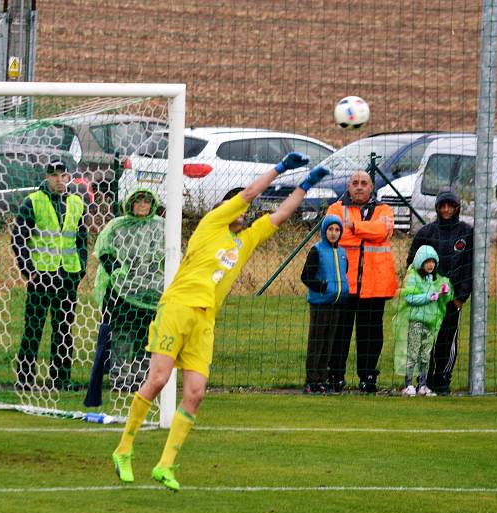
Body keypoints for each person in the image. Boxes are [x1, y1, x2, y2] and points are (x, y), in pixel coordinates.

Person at [111, 151, 329, 491]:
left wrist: (304, 185)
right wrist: (280, 168)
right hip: (178, 308)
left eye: (245, 211)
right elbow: (249, 194)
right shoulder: (211, 223)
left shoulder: (245, 242)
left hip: (205, 320)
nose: (245, 212)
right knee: (157, 380)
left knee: (195, 394)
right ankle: (124, 449)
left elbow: (281, 215)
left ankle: (165, 465)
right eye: (239, 207)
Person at [11, 159, 88, 391]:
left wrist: (81, 267)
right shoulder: (32, 202)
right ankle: (25, 379)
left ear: (68, 177)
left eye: (62, 174)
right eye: (54, 175)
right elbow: (18, 239)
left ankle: (61, 379)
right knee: (33, 328)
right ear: (47, 177)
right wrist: (28, 270)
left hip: (67, 274)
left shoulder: (77, 203)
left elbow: (81, 238)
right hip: (41, 275)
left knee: (63, 329)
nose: (58, 179)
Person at [84, 188, 165, 406]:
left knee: (145, 333)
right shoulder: (117, 226)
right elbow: (104, 251)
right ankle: (120, 375)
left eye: (146, 202)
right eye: (138, 201)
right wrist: (116, 270)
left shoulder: (160, 226)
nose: (142, 205)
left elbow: (169, 254)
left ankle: (140, 374)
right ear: (130, 204)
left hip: (150, 292)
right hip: (120, 291)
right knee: (120, 331)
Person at [325, 170, 398, 393]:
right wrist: (366, 231)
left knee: (371, 335)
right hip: (344, 283)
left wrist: (355, 227)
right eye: (354, 183)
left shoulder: (384, 209)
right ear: (348, 186)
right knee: (339, 333)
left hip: (375, 284)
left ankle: (368, 377)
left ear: (372, 187)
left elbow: (383, 232)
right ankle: (335, 376)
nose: (359, 186)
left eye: (363, 183)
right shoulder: (336, 209)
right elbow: (335, 234)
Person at [406, 190, 473, 395]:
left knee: (447, 339)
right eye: (442, 206)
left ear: (457, 208)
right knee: (425, 339)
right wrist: (422, 290)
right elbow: (412, 263)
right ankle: (422, 379)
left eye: (450, 206)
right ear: (437, 208)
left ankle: (442, 378)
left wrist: (460, 297)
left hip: (451, 301)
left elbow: (470, 267)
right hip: (428, 300)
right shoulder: (426, 233)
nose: (446, 210)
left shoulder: (466, 233)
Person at [392, 245, 453, 396]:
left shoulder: (436, 279)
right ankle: (408, 384)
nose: (430, 264)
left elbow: (443, 298)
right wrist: (428, 297)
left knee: (425, 354)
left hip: (430, 322)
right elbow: (410, 297)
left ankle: (423, 384)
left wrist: (445, 292)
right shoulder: (412, 277)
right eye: (427, 261)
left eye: (433, 261)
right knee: (413, 352)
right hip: (416, 321)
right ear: (420, 262)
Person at [300, 214, 348, 394]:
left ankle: (321, 378)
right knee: (317, 342)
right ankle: (311, 380)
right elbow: (306, 276)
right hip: (320, 303)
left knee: (328, 343)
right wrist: (322, 287)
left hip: (336, 303)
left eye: (337, 230)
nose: (334, 233)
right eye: (330, 230)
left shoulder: (342, 253)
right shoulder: (317, 250)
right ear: (324, 231)